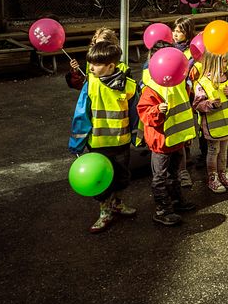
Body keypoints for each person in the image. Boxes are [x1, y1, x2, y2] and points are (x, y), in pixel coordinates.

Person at [69, 41, 138, 233]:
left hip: (121, 143)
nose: (90, 67)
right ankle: (104, 211)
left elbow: (135, 114)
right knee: (101, 180)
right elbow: (81, 115)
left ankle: (117, 204)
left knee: (121, 176)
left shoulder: (129, 86)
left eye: (96, 64)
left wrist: (137, 137)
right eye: (90, 63)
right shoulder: (90, 86)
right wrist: (77, 143)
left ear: (111, 66)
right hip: (98, 145)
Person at [137, 41, 198, 226]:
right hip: (161, 142)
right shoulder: (151, 87)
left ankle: (177, 202)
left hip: (177, 139)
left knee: (174, 173)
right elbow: (144, 113)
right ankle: (162, 210)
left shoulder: (179, 82)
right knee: (160, 176)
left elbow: (186, 104)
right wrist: (157, 110)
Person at [193, 50, 228, 193]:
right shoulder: (202, 83)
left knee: (223, 151)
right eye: (224, 60)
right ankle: (212, 178)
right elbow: (197, 105)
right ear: (213, 63)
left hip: (227, 124)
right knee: (213, 150)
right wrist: (210, 104)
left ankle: (223, 174)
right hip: (213, 126)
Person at [172, 16, 197, 188]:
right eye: (174, 30)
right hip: (173, 94)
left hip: (188, 94)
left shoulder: (191, 51)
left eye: (179, 32)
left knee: (186, 129)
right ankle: (179, 165)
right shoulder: (168, 49)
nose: (175, 34)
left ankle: (185, 164)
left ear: (187, 33)